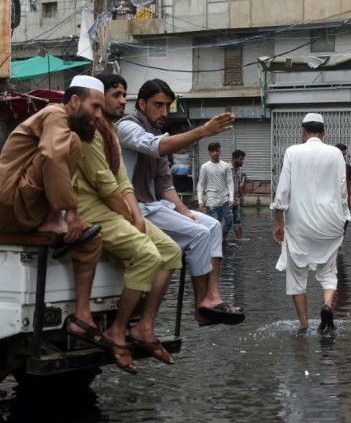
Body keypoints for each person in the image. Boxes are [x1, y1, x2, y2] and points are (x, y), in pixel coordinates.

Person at [117, 79, 244, 326]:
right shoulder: (127, 127)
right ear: (141, 104)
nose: (165, 112)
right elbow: (155, 147)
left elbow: (165, 184)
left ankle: (213, 295)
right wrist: (203, 131)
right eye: (158, 105)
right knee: (197, 234)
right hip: (135, 207)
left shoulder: (156, 132)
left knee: (214, 227)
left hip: (155, 205)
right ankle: (201, 306)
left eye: (168, 106)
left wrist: (186, 211)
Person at [80, 73, 182, 373]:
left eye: (123, 95)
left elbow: (122, 179)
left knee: (171, 252)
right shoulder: (86, 132)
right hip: (92, 209)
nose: (121, 101)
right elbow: (104, 184)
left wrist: (136, 216)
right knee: (148, 254)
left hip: (114, 208)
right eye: (115, 95)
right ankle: (118, 329)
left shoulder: (110, 131)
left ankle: (144, 326)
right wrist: (129, 216)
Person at [0, 75, 103, 348]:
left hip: (18, 201)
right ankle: (51, 219)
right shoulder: (55, 114)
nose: (98, 115)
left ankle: (82, 316)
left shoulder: (63, 121)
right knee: (68, 144)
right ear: (74, 101)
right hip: (10, 201)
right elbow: (52, 154)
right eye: (95, 107)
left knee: (90, 242)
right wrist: (70, 212)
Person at [271, 113, 350, 336]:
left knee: (296, 274)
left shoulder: (292, 152)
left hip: (300, 223)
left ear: (303, 131)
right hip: (331, 222)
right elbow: (342, 191)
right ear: (323, 132)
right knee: (329, 270)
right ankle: (326, 304)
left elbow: (283, 189)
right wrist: (344, 220)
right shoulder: (335, 153)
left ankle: (304, 326)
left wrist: (278, 222)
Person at [197, 142, 235, 244]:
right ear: (209, 153)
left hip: (225, 198)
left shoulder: (226, 166)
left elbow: (230, 182)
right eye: (213, 151)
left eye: (217, 151)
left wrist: (231, 198)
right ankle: (215, 241)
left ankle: (223, 238)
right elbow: (200, 184)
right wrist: (200, 201)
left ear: (220, 151)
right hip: (211, 199)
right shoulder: (205, 167)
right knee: (215, 223)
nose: (215, 153)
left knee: (229, 220)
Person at [335, 143, 351, 216]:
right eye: (342, 154)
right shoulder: (329, 167)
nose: (344, 156)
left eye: (345, 154)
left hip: (345, 202)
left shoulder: (347, 168)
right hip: (333, 203)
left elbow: (348, 184)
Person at [230, 149, 246, 239]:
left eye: (243, 159)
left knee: (237, 221)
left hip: (235, 200)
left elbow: (239, 184)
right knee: (227, 221)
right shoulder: (226, 168)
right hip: (226, 200)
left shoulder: (240, 169)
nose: (242, 161)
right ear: (234, 159)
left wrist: (241, 196)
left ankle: (240, 239)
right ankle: (222, 240)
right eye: (241, 159)